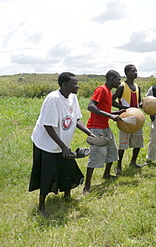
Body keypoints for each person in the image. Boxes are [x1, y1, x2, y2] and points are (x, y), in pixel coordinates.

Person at [29, 72, 94, 216]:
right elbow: (48, 125)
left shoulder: (73, 97)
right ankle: (41, 206)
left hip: (62, 142)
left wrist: (89, 133)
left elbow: (76, 119)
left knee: (67, 169)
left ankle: (67, 197)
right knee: (47, 175)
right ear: (65, 85)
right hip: (46, 143)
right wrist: (63, 147)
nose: (77, 86)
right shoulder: (53, 99)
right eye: (74, 83)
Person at [83, 70, 124, 194]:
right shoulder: (101, 89)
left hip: (105, 127)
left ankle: (106, 174)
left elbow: (103, 109)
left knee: (112, 150)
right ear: (111, 79)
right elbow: (91, 106)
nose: (119, 82)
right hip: (96, 128)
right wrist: (111, 116)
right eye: (118, 79)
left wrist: (116, 113)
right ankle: (87, 186)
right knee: (96, 154)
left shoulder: (108, 92)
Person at [112, 64, 143, 173]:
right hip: (125, 118)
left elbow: (138, 102)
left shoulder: (137, 87)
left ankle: (133, 162)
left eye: (136, 71)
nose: (136, 73)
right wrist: (124, 108)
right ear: (126, 73)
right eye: (133, 71)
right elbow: (112, 100)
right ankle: (119, 166)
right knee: (123, 143)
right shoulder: (122, 86)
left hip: (137, 118)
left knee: (138, 142)